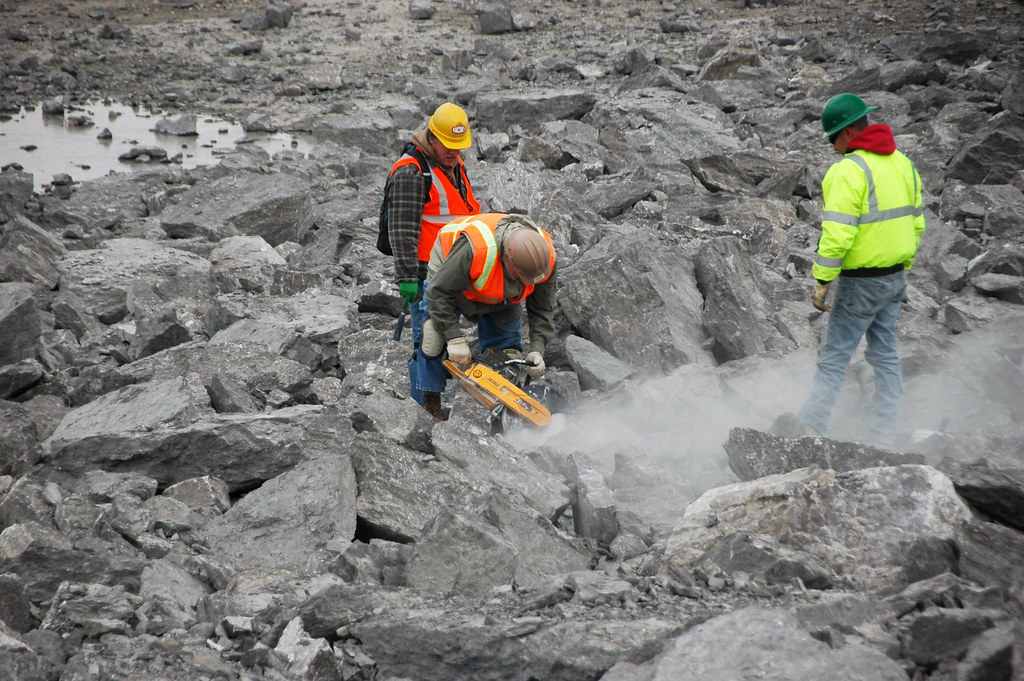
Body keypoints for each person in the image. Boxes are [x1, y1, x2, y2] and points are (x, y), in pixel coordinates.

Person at [791, 92, 926, 444]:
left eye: (834, 138)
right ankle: (885, 435)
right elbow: (916, 224)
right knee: (885, 356)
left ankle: (810, 430)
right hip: (895, 277)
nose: (833, 147)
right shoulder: (903, 163)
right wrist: (902, 267)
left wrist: (822, 279)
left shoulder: (848, 171)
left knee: (834, 356)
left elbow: (837, 234)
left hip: (861, 283)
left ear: (849, 132)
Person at [416, 213, 558, 420]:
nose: (528, 284)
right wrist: (454, 338)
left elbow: (543, 308)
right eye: (523, 278)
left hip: (501, 294)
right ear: (509, 260)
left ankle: (502, 418)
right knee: (433, 341)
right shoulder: (474, 249)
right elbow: (439, 293)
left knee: (508, 358)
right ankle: (429, 405)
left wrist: (537, 349)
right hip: (449, 277)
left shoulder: (544, 260)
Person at [386, 102, 481, 407]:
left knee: (441, 335)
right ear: (432, 138)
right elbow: (402, 229)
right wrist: (407, 278)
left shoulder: (454, 164)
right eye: (449, 146)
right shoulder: (411, 172)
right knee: (427, 341)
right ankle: (424, 409)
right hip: (428, 272)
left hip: (460, 267)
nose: (455, 152)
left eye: (459, 146)